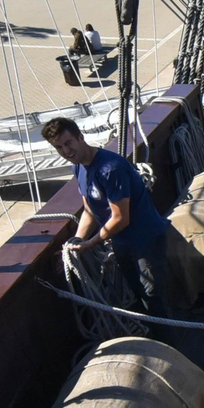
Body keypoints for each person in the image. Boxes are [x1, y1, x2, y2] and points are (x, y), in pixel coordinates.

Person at [42, 117, 172, 317]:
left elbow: (121, 217)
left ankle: (169, 345)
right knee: (138, 296)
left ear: (80, 137)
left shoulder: (110, 169)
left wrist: (91, 243)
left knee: (153, 298)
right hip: (122, 244)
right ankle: (152, 339)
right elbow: (89, 210)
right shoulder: (78, 167)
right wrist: (76, 241)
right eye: (59, 147)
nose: (66, 151)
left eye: (69, 143)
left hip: (145, 241)